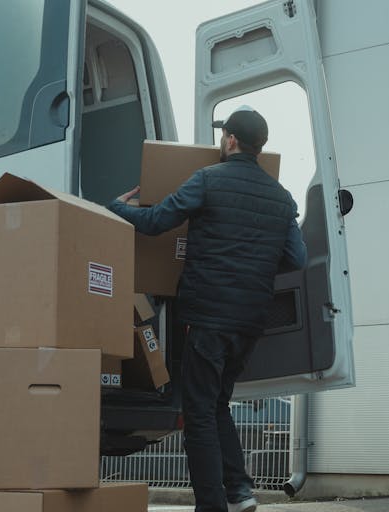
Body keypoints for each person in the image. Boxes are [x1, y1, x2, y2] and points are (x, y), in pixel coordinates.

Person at [108, 106, 306, 512]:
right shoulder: (282, 199)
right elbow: (297, 258)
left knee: (197, 411)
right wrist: (256, 263)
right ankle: (239, 491)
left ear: (230, 140)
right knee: (217, 403)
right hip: (250, 322)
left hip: (207, 316)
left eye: (223, 136)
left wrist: (118, 208)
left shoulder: (208, 180)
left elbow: (157, 221)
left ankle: (212, 505)